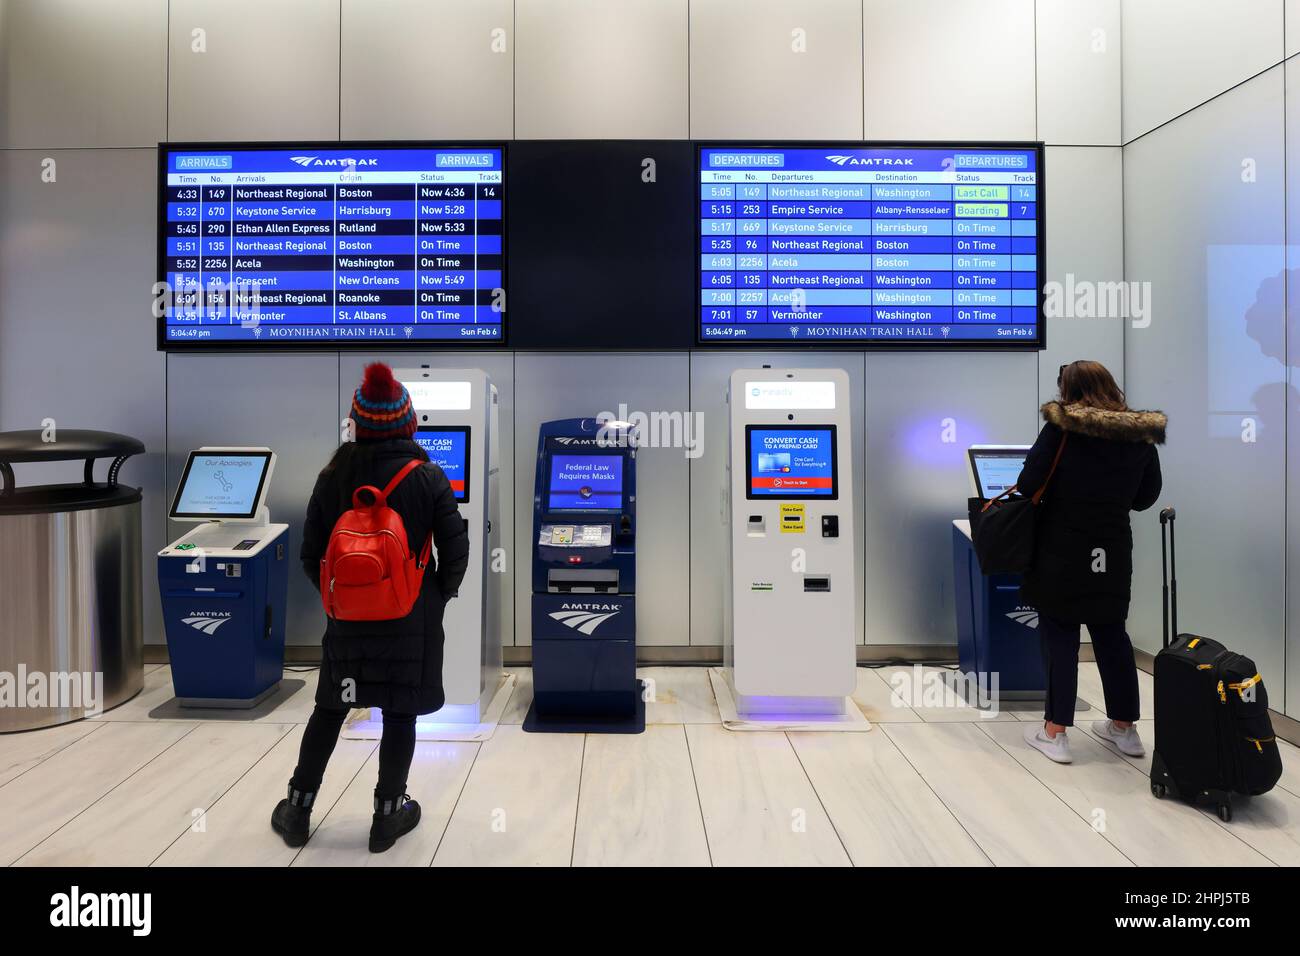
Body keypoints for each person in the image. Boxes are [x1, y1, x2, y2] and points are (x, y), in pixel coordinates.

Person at [271, 363, 468, 852]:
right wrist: (435, 594)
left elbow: (310, 554)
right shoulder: (428, 476)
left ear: (357, 425)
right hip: (411, 618)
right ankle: (387, 814)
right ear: (409, 423)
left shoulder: (333, 474)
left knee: (330, 709)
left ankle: (297, 807)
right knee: (400, 713)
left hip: (348, 622)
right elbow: (456, 547)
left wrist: (341, 601)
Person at [1017, 360, 1165, 764]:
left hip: (1061, 547)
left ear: (1070, 389)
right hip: (1112, 547)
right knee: (1112, 633)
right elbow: (1146, 496)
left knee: (1060, 635)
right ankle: (1124, 729)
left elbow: (1030, 483)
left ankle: (1055, 732)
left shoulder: (1062, 429)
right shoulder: (1140, 435)